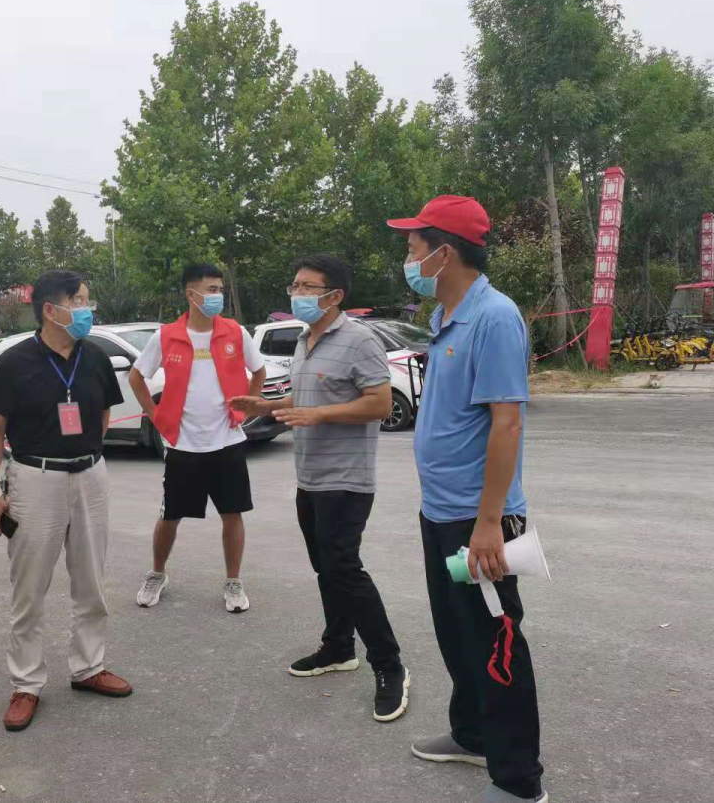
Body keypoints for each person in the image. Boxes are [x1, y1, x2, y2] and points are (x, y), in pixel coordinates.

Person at [387, 196, 546, 803]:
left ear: (444, 252)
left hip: (478, 520)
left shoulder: (494, 317)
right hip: (442, 512)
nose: (409, 257)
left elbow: (507, 423)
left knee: (496, 644)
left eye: (414, 246)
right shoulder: (446, 315)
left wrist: (488, 523)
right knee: (458, 635)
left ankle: (519, 782)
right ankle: (473, 734)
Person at [230, 253, 409, 723]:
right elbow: (310, 397)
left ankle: (390, 665)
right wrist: (267, 406)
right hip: (309, 478)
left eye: (307, 287)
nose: (297, 294)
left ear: (335, 295)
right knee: (326, 569)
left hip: (347, 479)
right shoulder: (304, 339)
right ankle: (338, 647)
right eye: (294, 285)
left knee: (345, 569)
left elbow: (379, 403)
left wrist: (319, 415)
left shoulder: (359, 340)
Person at [0, 269, 133, 734]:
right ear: (50, 309)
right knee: (29, 588)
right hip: (34, 478)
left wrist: (84, 456)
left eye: (87, 301)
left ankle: (89, 667)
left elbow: (103, 415)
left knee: (91, 581)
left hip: (90, 477)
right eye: (79, 301)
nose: (87, 310)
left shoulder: (96, 357)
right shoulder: (15, 361)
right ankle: (26, 684)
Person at [129, 263, 266, 613]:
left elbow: (259, 371)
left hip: (227, 442)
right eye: (212, 290)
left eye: (220, 289)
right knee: (170, 515)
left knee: (233, 514)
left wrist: (248, 408)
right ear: (192, 295)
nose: (218, 296)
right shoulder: (167, 336)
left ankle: (233, 581)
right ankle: (157, 573)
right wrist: (156, 416)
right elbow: (136, 377)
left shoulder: (235, 332)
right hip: (182, 445)